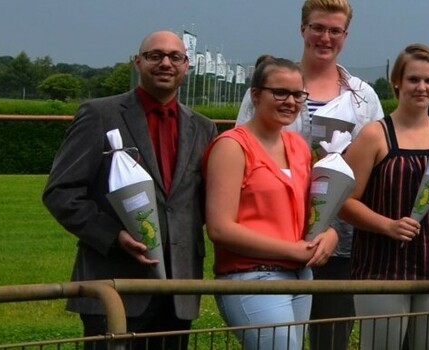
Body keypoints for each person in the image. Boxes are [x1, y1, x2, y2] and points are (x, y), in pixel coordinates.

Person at [42, 30, 218, 350]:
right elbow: (61, 191)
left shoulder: (204, 128)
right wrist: (113, 236)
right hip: (114, 285)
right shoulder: (99, 115)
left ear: (187, 66)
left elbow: (204, 202)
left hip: (179, 290)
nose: (166, 63)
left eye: (175, 57)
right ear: (137, 62)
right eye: (155, 56)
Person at [227, 4, 385, 346]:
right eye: (317, 28)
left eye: (335, 31)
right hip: (278, 239)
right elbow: (244, 153)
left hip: (340, 240)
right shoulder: (271, 84)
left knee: (331, 338)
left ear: (345, 36)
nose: (325, 38)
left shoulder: (363, 96)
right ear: (302, 29)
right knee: (280, 339)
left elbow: (376, 163)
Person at [337, 44, 429, 350]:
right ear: (397, 81)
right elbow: (344, 203)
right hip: (383, 269)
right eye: (414, 79)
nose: (422, 87)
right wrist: (387, 226)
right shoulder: (374, 135)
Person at [206, 55, 336, 350]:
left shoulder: (298, 147)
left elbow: (311, 211)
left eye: (298, 94)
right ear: (255, 94)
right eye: (280, 92)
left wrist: (328, 234)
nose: (290, 101)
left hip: (300, 277)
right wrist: (292, 250)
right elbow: (220, 228)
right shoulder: (232, 146)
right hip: (252, 277)